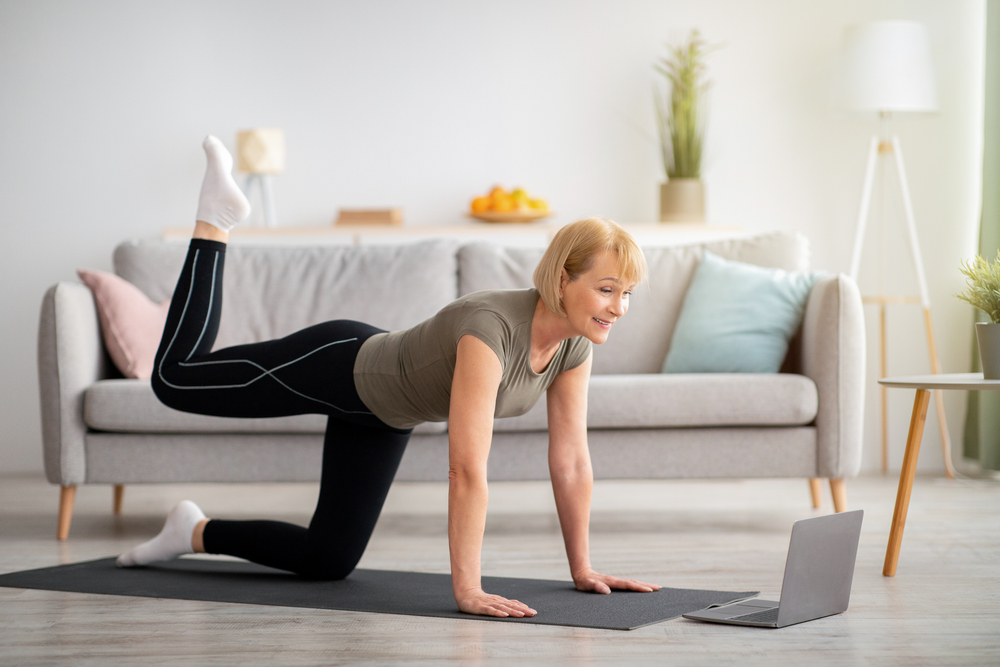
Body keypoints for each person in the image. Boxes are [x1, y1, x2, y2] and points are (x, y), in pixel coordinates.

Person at [117, 136, 659, 618]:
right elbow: (467, 469)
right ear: (563, 279)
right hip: (341, 364)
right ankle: (215, 221)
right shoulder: (490, 329)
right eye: (607, 289)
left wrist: (583, 568)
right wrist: (467, 590)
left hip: (384, 413)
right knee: (174, 378)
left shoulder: (573, 346)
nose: (619, 306)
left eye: (627, 293)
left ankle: (191, 531)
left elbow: (570, 461)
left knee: (327, 558)